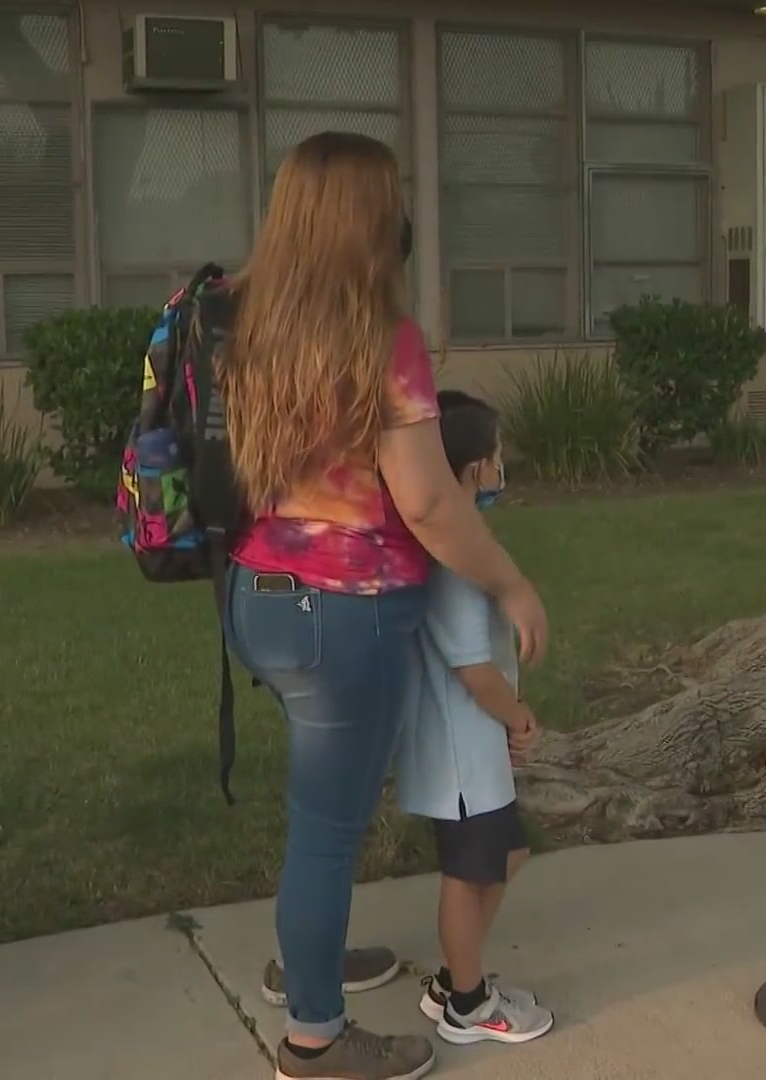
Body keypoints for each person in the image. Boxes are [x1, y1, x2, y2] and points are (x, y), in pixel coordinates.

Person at [220, 132, 549, 1080]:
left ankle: (310, 966)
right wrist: (510, 584)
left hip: (258, 593)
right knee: (327, 831)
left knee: (316, 817)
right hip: (345, 609)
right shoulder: (379, 338)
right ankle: (316, 1040)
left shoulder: (243, 317)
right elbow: (432, 502)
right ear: (369, 217)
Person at [394, 390, 554, 1048]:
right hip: (462, 754)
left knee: (507, 855)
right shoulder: (454, 562)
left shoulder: (451, 542)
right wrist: (517, 718)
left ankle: (455, 980)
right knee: (472, 874)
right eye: (494, 457)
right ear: (466, 471)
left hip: (468, 752)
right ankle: (467, 1002)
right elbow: (471, 668)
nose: (501, 467)